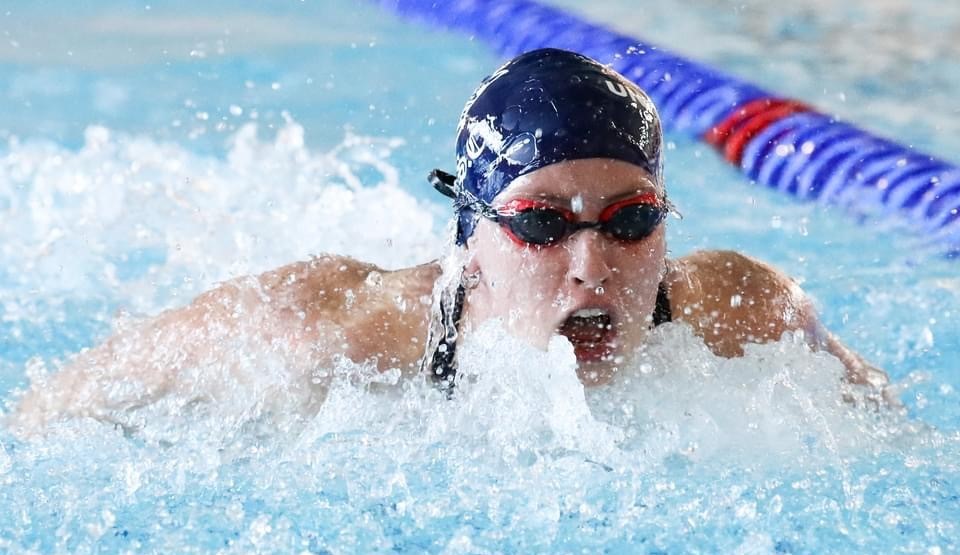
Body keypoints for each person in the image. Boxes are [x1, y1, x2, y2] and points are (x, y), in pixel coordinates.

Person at [7, 48, 889, 435]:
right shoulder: (326, 337)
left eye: (631, 220)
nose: (593, 266)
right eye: (542, 223)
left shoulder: (746, 312)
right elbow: (47, 414)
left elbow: (906, 449)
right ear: (473, 240)